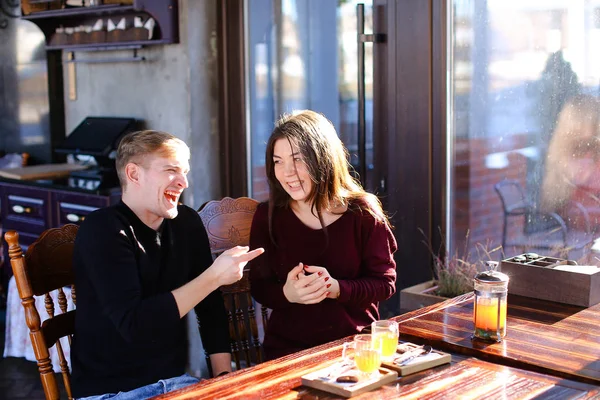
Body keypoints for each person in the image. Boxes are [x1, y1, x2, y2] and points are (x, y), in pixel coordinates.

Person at [70, 130, 264, 399]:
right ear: (134, 174)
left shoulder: (186, 223)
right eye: (171, 170)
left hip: (176, 382)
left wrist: (222, 377)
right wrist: (214, 277)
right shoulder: (103, 230)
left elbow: (210, 309)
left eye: (184, 171)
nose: (183, 182)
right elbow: (134, 325)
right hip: (112, 392)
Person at [249, 110, 397, 360]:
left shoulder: (362, 213)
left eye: (297, 159)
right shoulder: (268, 215)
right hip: (287, 353)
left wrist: (336, 288)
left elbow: (385, 284)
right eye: (277, 161)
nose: (287, 172)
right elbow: (259, 287)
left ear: (323, 158)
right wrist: (288, 294)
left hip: (353, 350)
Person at [540, 94, 600, 231]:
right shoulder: (567, 155)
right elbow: (586, 183)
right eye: (594, 121)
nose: (597, 126)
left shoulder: (588, 150)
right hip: (581, 224)